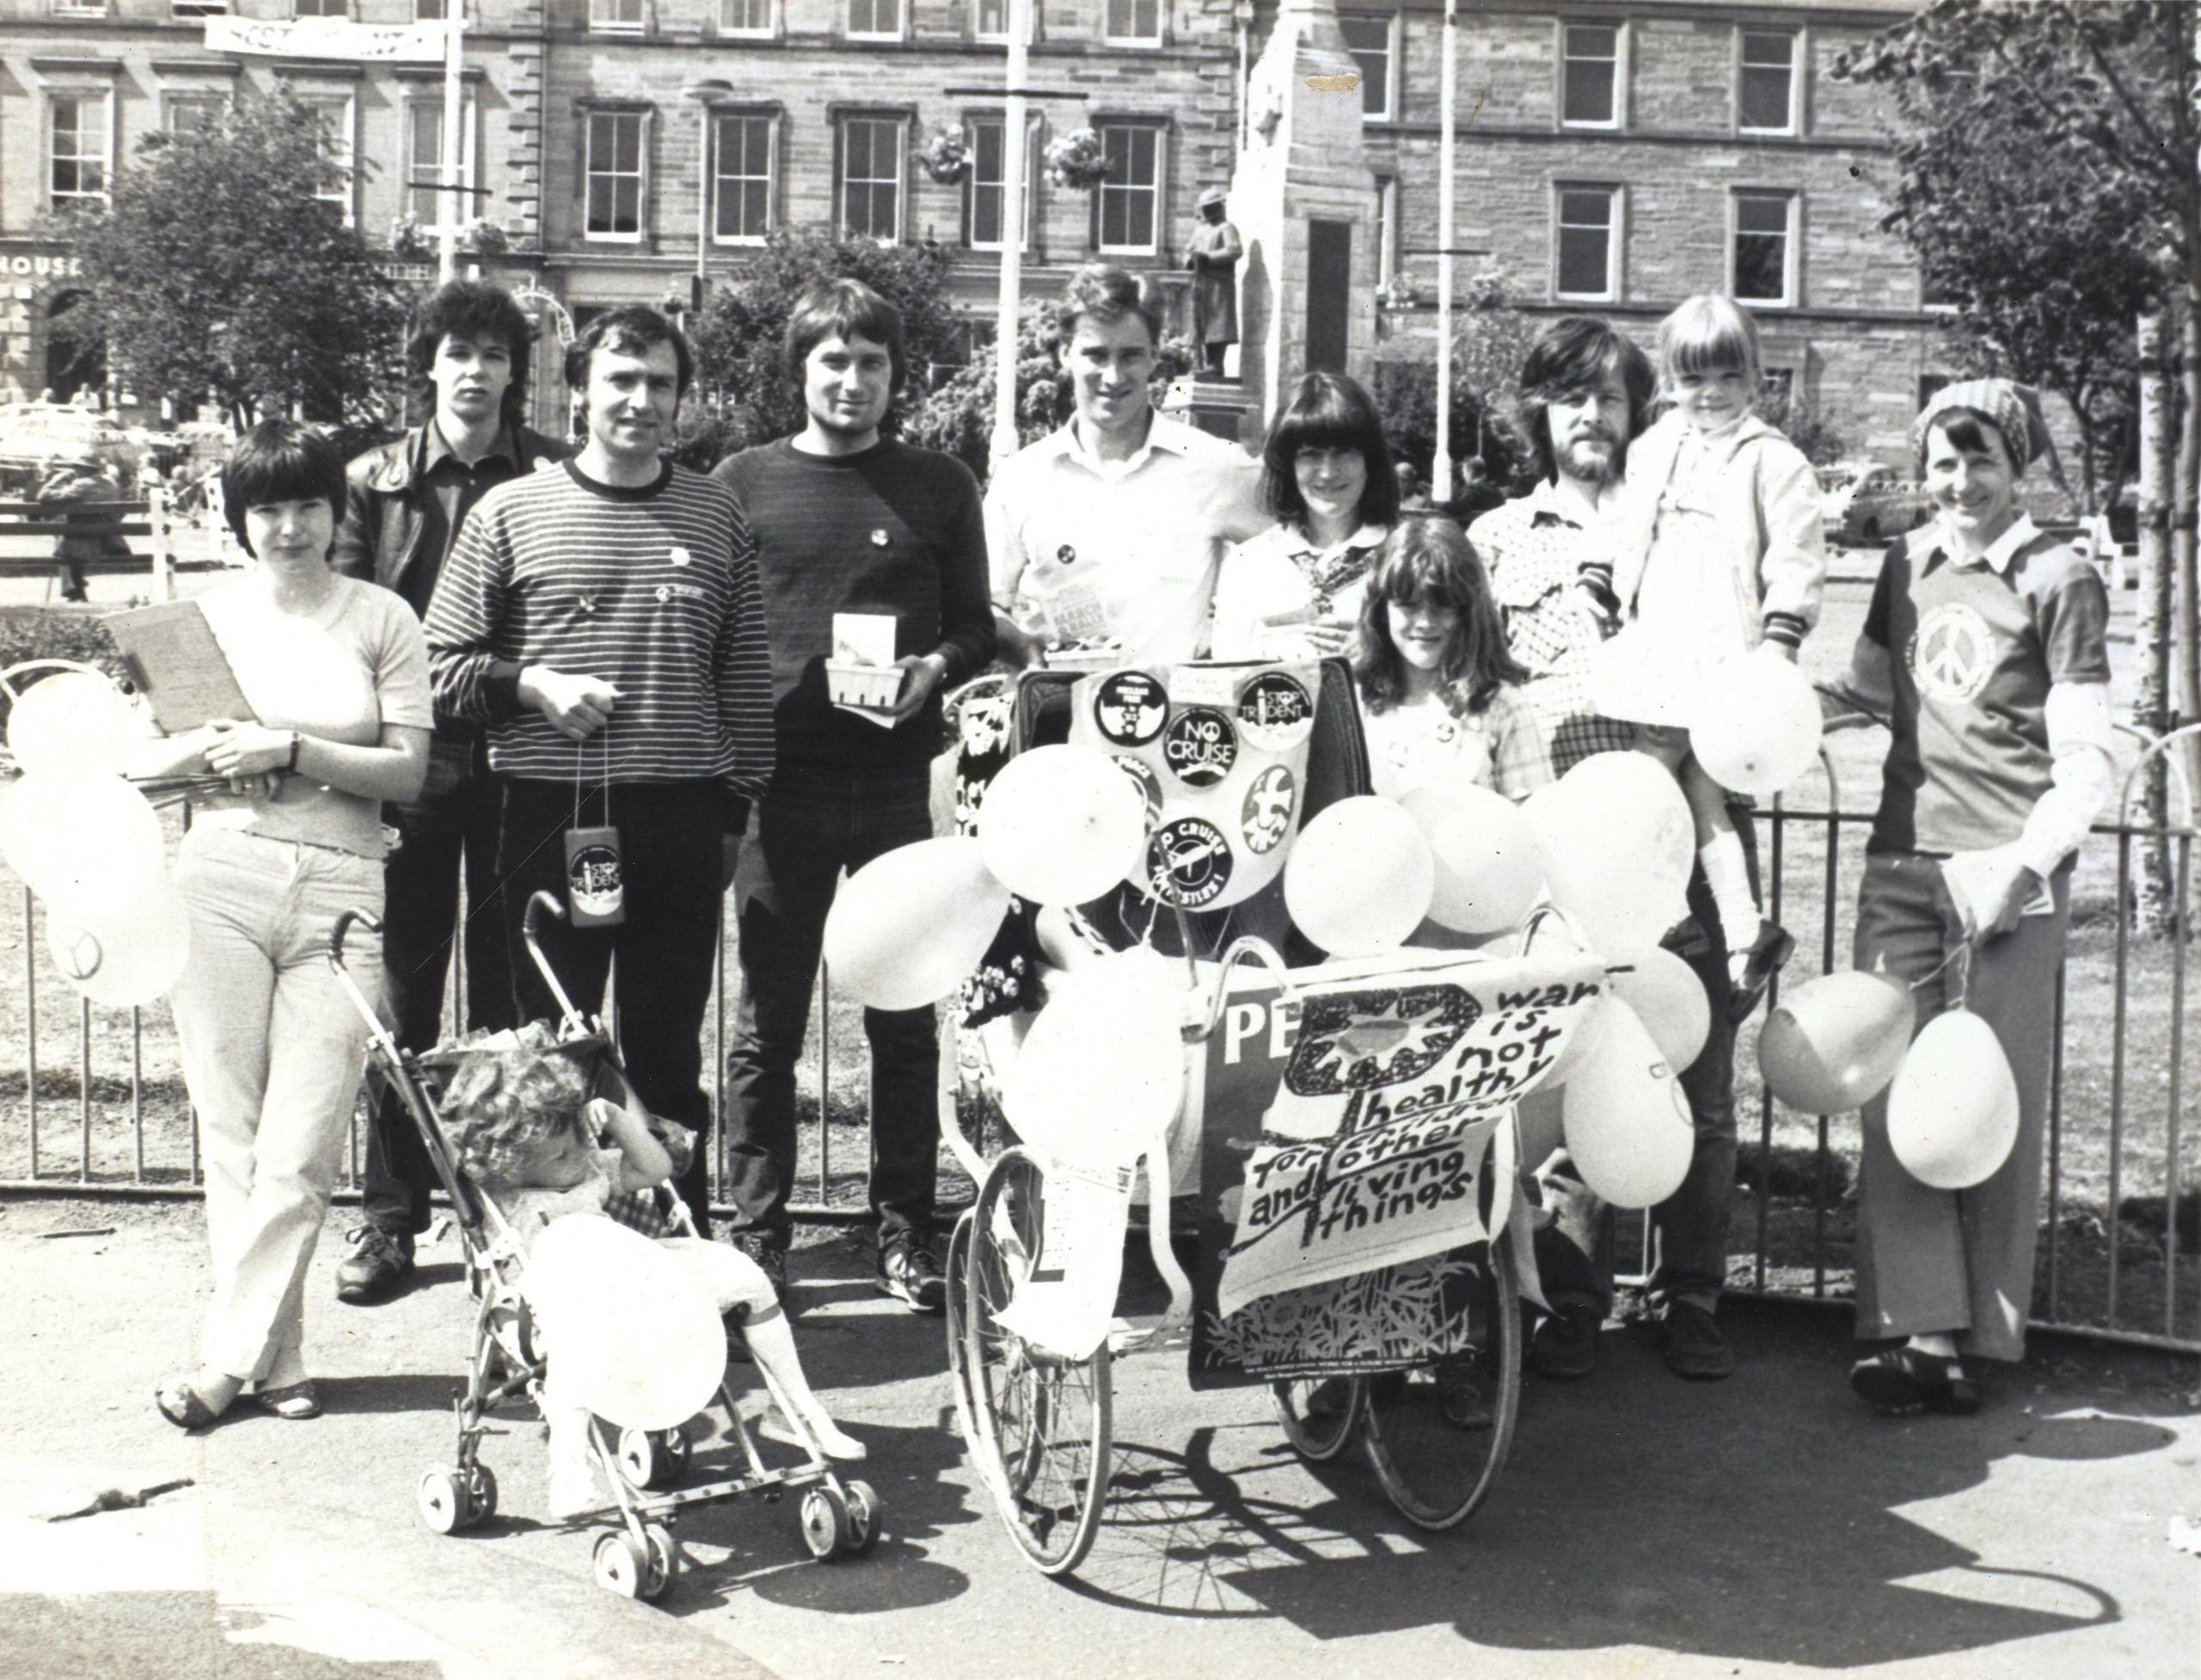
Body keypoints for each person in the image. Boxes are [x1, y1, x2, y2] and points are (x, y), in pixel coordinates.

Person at [424, 304, 774, 1240]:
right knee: (546, 1049)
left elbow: (743, 673)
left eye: (660, 383)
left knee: (664, 1044)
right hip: (542, 813)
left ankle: (678, 1248)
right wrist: (532, 684)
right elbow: (437, 665)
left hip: (680, 817)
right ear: (577, 390)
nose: (641, 400)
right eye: (620, 380)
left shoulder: (714, 512)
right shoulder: (510, 511)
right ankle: (549, 1255)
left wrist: (734, 807)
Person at [1468, 314, 1751, 1383]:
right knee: (1568, 1079)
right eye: (1569, 397)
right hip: (1559, 842)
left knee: (1704, 1082)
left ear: (1641, 411)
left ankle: (1693, 1298)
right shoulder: (1498, 539)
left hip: (1679, 823)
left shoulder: (1680, 529)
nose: (1591, 415)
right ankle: (1571, 1301)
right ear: (1539, 415)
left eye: (1611, 396)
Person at [1830, 380, 2112, 1417]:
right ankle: (1915, 1329)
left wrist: (2024, 864)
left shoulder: (2061, 574)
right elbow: (1864, 691)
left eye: (1980, 459)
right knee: (1889, 1095)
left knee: (1991, 1103)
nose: (1958, 483)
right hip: (1901, 863)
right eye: (1941, 462)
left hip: (2009, 874)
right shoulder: (1902, 564)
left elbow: (2086, 763)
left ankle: (1981, 1334)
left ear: (2019, 461)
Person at [144, 421, 433, 1429]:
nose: (290, 525)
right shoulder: (203, 621)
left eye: (307, 502)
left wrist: (289, 746)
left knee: (300, 1144)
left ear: (336, 510)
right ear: (239, 522)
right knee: (231, 1133)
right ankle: (280, 1357)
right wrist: (201, 756)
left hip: (344, 886)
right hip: (217, 874)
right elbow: (149, 767)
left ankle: (219, 1366)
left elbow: (408, 771)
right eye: (266, 508)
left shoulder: (382, 616)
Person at [714, 280, 995, 1314]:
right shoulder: (741, 482)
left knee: (904, 1020)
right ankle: (759, 1236)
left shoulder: (938, 483)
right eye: (832, 360)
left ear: (892, 374)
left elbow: (974, 624)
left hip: (887, 785)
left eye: (870, 361)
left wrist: (934, 668)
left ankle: (906, 1236)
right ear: (799, 370)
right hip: (779, 786)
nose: (851, 379)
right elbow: (710, 627)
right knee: (767, 1027)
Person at [332, 279, 569, 1306]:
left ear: (518, 370)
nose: (474, 370)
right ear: (427, 364)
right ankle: (393, 1218)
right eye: (455, 352)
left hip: (520, 760)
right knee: (405, 999)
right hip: (414, 768)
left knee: (516, 999)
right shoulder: (373, 482)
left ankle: (509, 1218)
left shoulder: (555, 475)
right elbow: (343, 621)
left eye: (493, 353)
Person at [436, 1034, 861, 1517]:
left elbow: (657, 1168)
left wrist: (615, 1119)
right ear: (513, 1166)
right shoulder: (509, 1200)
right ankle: (570, 1467)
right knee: (571, 1336)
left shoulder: (589, 1168)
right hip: (562, 1308)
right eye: (560, 1155)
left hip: (635, 1279)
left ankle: (796, 1409)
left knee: (746, 1278)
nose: (578, 1154)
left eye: (579, 1137)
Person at [1606, 293, 1827, 1022]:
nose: (1710, 394)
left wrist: (1779, 643)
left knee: (1654, 767)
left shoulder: (1775, 460)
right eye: (1694, 378)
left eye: (1727, 377)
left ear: (1754, 378)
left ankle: (1672, 911)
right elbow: (1621, 525)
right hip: (1662, 631)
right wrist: (1599, 577)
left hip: (1722, 643)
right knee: (1687, 786)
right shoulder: (1652, 449)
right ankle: (1742, 930)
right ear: (1670, 380)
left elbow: (1795, 556)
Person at [987, 265, 1266, 669]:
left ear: (1155, 355)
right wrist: (1021, 647)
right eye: (1096, 355)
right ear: (1065, 353)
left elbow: (1305, 549)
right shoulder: (1022, 478)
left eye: (1131, 355)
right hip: (1051, 715)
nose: (1113, 376)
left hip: (1171, 719)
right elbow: (984, 604)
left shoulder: (1216, 465)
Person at [1352, 513, 1551, 812]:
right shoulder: (1356, 703)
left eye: (1442, 605)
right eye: (1409, 605)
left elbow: (1534, 824)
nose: (1425, 622)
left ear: (1468, 610)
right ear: (1381, 610)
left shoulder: (1501, 705)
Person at [1211, 371, 1401, 662]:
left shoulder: (1407, 555)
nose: (1327, 472)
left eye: (1344, 452)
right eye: (1311, 454)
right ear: (1288, 464)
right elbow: (1228, 681)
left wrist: (1377, 653)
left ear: (1370, 460)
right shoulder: (1249, 563)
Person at [1186, 186, 1242, 377]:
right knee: (1200, 323)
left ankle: (1216, 364)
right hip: (1201, 283)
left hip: (1219, 283)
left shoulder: (1226, 228)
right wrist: (1190, 260)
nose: (1207, 211)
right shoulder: (1200, 230)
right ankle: (1200, 363)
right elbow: (1188, 251)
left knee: (1218, 324)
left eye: (1211, 207)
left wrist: (1208, 258)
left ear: (1220, 206)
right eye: (1205, 207)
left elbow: (1234, 250)